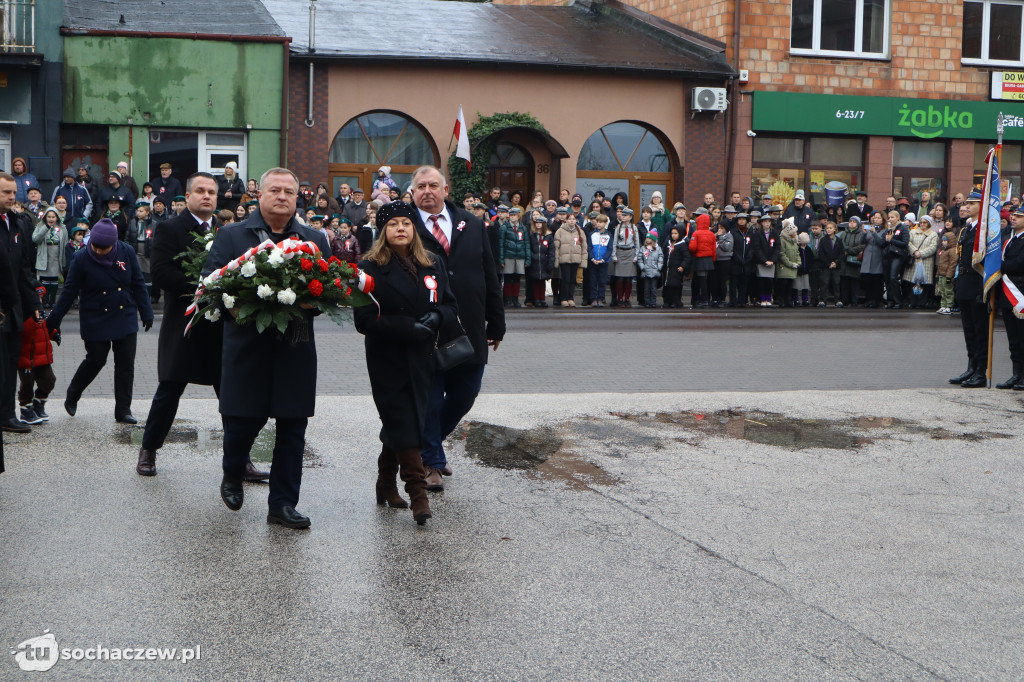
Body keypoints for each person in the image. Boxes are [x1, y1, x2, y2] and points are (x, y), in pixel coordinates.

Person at [202, 167, 329, 529]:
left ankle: (283, 505)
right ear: (259, 195)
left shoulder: (314, 238)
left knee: (292, 427)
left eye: (290, 191)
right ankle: (232, 471)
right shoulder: (231, 235)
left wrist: (311, 304)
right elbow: (211, 286)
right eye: (275, 190)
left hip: (295, 347)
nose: (282, 197)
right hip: (247, 344)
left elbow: (326, 289)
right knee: (243, 421)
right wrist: (239, 305)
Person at [138, 172, 268, 482]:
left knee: (231, 395)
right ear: (187, 195)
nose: (207, 195)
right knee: (170, 389)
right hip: (185, 323)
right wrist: (205, 286)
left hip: (220, 327)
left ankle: (240, 460)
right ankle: (148, 450)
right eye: (200, 190)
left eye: (211, 191)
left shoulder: (227, 231)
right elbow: (161, 273)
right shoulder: (169, 228)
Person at [354, 201, 460, 525]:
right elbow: (364, 319)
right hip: (388, 358)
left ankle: (385, 481)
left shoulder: (433, 263)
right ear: (383, 232)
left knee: (404, 421)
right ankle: (418, 494)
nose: (400, 228)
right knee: (405, 422)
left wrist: (435, 316)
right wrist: (405, 327)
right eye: (392, 224)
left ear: (415, 228)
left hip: (422, 357)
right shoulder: (369, 267)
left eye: (406, 223)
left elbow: (450, 304)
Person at [409, 165, 504, 490]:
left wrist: (498, 322)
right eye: (420, 186)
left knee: (466, 393)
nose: (427, 191)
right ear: (412, 192)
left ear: (445, 189)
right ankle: (432, 462)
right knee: (432, 397)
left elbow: (489, 273)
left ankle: (427, 446)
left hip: (471, 324)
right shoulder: (403, 225)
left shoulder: (473, 224)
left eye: (433, 185)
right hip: (427, 328)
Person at [47, 219, 153, 423]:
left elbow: (138, 283)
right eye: (96, 247)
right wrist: (54, 320)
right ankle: (73, 392)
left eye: (105, 248)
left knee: (125, 364)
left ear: (114, 244)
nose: (100, 251)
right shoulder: (81, 258)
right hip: (95, 315)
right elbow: (69, 292)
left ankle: (123, 410)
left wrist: (146, 312)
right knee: (96, 359)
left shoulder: (126, 251)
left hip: (124, 313)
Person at [0, 172, 42, 433]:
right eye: (6, 192)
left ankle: (6, 414)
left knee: (10, 364)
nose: (12, 197)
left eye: (14, 192)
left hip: (13, 308)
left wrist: (33, 303)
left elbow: (25, 268)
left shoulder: (17, 223)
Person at [949, 191, 988, 388]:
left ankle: (981, 371)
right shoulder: (966, 229)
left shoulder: (985, 229)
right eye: (967, 203)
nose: (967, 207)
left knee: (980, 329)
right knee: (968, 329)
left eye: (973, 203)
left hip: (977, 282)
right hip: (964, 280)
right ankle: (971, 366)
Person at [17, 287, 58, 425]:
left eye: (40, 299)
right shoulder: (23, 314)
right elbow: (24, 331)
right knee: (27, 384)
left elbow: (46, 328)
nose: (38, 302)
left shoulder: (41, 314)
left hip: (43, 357)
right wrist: (33, 321)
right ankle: (26, 408)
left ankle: (39, 401)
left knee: (49, 380)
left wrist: (54, 334)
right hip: (27, 359)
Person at [995, 207, 1024, 389]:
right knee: (1013, 338)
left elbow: (1020, 264)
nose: (1013, 218)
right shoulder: (1009, 241)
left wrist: (998, 265)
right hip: (1007, 294)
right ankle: (1016, 374)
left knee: (1022, 337)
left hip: (1020, 293)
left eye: (1019, 216)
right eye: (1013, 216)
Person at [32, 207, 67, 309]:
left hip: (56, 254)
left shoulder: (62, 228)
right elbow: (35, 239)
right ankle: (45, 299)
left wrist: (64, 262)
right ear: (45, 217)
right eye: (49, 217)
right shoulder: (40, 226)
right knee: (45, 280)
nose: (51, 219)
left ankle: (53, 300)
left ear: (57, 217)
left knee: (54, 280)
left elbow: (64, 244)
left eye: (53, 217)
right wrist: (46, 227)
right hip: (45, 253)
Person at [903, 215, 938, 308]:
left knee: (924, 282)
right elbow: (908, 243)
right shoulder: (913, 232)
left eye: (924, 222)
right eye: (921, 222)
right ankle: (912, 301)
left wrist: (921, 253)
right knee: (912, 282)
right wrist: (915, 251)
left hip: (926, 261)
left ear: (929, 223)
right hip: (914, 260)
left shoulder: (933, 234)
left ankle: (922, 302)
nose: (922, 224)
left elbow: (933, 247)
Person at [499, 206, 530, 308]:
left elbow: (526, 243)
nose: (512, 217)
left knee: (517, 278)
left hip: (520, 256)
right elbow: (501, 244)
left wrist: (527, 258)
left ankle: (515, 298)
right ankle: (508, 299)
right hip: (509, 255)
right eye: (511, 215)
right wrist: (501, 258)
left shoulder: (523, 228)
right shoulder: (504, 227)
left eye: (514, 215)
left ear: (518, 216)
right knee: (508, 278)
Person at [554, 212, 587, 307]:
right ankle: (563, 298)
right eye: (570, 219)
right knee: (565, 279)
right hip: (564, 259)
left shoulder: (580, 231)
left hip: (575, 258)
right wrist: (556, 260)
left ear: (576, 220)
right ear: (566, 220)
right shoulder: (560, 231)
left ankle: (570, 297)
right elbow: (556, 247)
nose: (572, 220)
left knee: (573, 279)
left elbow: (584, 246)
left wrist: (583, 260)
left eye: (573, 219)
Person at [610, 207, 639, 306]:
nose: (623, 217)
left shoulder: (634, 228)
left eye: (625, 215)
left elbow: (637, 243)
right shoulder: (618, 227)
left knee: (628, 278)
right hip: (620, 252)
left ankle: (627, 298)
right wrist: (614, 255)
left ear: (630, 217)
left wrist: (636, 256)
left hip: (630, 252)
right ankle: (620, 298)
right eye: (622, 215)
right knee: (620, 277)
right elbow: (614, 242)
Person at [526, 212, 555, 308]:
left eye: (540, 223)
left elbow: (551, 250)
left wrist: (550, 263)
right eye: (536, 223)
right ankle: (536, 299)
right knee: (535, 281)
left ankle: (542, 299)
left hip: (544, 260)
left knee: (542, 281)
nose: (538, 224)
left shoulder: (548, 236)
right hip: (534, 261)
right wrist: (531, 256)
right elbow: (528, 247)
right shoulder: (532, 235)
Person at [688, 213, 716, 307]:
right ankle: (705, 299)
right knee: (705, 280)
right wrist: (713, 259)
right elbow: (714, 249)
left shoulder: (696, 233)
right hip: (708, 260)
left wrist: (693, 253)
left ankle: (703, 300)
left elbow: (692, 247)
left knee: (700, 281)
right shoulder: (712, 234)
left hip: (699, 259)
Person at [750, 213, 778, 307]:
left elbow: (777, 247)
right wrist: (764, 260)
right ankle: (762, 299)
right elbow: (757, 248)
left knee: (769, 281)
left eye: (768, 222)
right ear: (761, 223)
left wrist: (772, 260)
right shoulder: (758, 234)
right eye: (765, 221)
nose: (767, 223)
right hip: (761, 262)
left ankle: (768, 298)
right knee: (762, 281)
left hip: (771, 261)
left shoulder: (774, 233)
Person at [838, 217, 866, 307]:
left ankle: (854, 301)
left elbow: (862, 245)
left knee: (855, 283)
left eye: (854, 222)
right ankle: (845, 300)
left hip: (855, 261)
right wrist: (845, 249)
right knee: (844, 282)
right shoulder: (843, 233)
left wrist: (850, 250)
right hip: (844, 261)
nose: (852, 223)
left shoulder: (861, 234)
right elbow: (840, 243)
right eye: (850, 221)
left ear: (858, 224)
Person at [729, 212, 754, 306]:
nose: (742, 221)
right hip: (735, 262)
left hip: (747, 263)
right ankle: (733, 300)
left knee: (744, 283)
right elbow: (732, 247)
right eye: (740, 219)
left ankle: (742, 300)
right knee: (733, 283)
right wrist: (738, 258)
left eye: (744, 219)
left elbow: (752, 247)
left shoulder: (750, 232)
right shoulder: (733, 232)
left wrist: (748, 257)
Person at [819, 221, 845, 306]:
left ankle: (837, 300)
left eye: (830, 228)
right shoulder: (823, 240)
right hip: (825, 266)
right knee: (824, 283)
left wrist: (836, 262)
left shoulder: (838, 240)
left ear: (835, 229)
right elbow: (821, 253)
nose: (828, 230)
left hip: (836, 266)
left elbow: (841, 253)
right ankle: (823, 300)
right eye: (827, 228)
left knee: (836, 283)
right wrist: (828, 263)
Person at [774, 220, 800, 307]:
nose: (796, 233)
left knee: (789, 285)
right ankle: (781, 300)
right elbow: (782, 254)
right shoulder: (782, 240)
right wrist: (790, 264)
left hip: (792, 267)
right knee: (782, 285)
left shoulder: (794, 241)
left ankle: (788, 300)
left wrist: (798, 262)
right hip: (784, 267)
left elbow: (797, 253)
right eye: (795, 231)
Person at [637, 233, 663, 308]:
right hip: (646, 271)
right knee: (646, 288)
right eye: (647, 238)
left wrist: (659, 267)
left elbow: (660, 258)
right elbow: (640, 259)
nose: (647, 240)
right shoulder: (643, 248)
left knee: (653, 288)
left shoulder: (658, 249)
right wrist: (642, 267)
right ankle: (647, 301)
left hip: (654, 271)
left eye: (649, 238)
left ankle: (653, 301)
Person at [935, 232, 957, 315]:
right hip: (941, 273)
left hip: (947, 274)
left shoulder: (952, 251)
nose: (943, 242)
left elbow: (952, 264)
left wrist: (949, 276)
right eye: (943, 240)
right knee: (942, 291)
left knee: (948, 291)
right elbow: (940, 264)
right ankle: (943, 305)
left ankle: (949, 306)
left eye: (945, 241)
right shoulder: (944, 250)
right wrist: (937, 274)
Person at [713, 221, 733, 306]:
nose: (720, 230)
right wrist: (716, 235)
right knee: (715, 280)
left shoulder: (729, 236)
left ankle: (722, 299)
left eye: (722, 228)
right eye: (719, 228)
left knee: (722, 280)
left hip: (725, 260)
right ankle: (715, 299)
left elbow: (727, 247)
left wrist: (721, 237)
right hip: (716, 259)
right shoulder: (715, 235)